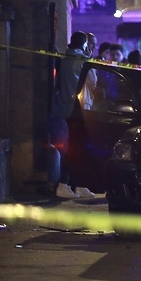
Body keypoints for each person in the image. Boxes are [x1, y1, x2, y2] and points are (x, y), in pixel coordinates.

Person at [48, 31, 97, 199]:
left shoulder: (65, 59)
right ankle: (65, 184)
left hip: (63, 108)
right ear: (84, 45)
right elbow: (93, 83)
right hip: (79, 110)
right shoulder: (83, 61)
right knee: (77, 149)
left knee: (72, 149)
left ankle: (78, 185)